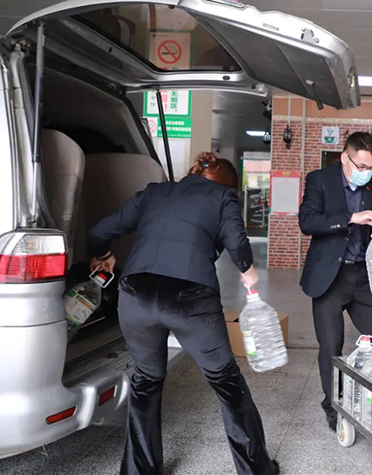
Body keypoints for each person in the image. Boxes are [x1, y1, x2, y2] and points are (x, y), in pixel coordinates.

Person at [88, 153, 278, 475]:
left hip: (136, 294)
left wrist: (104, 254)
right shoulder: (224, 197)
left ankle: (140, 471)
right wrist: (248, 271)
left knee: (145, 381)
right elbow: (236, 241)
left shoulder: (155, 191)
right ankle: (256, 470)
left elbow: (99, 231)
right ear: (229, 186)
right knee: (226, 381)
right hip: (190, 299)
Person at [298, 132, 372, 431]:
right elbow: (307, 221)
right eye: (361, 166)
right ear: (345, 158)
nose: (367, 172)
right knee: (331, 345)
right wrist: (352, 217)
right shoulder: (320, 180)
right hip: (330, 276)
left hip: (364, 275)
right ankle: (333, 404)